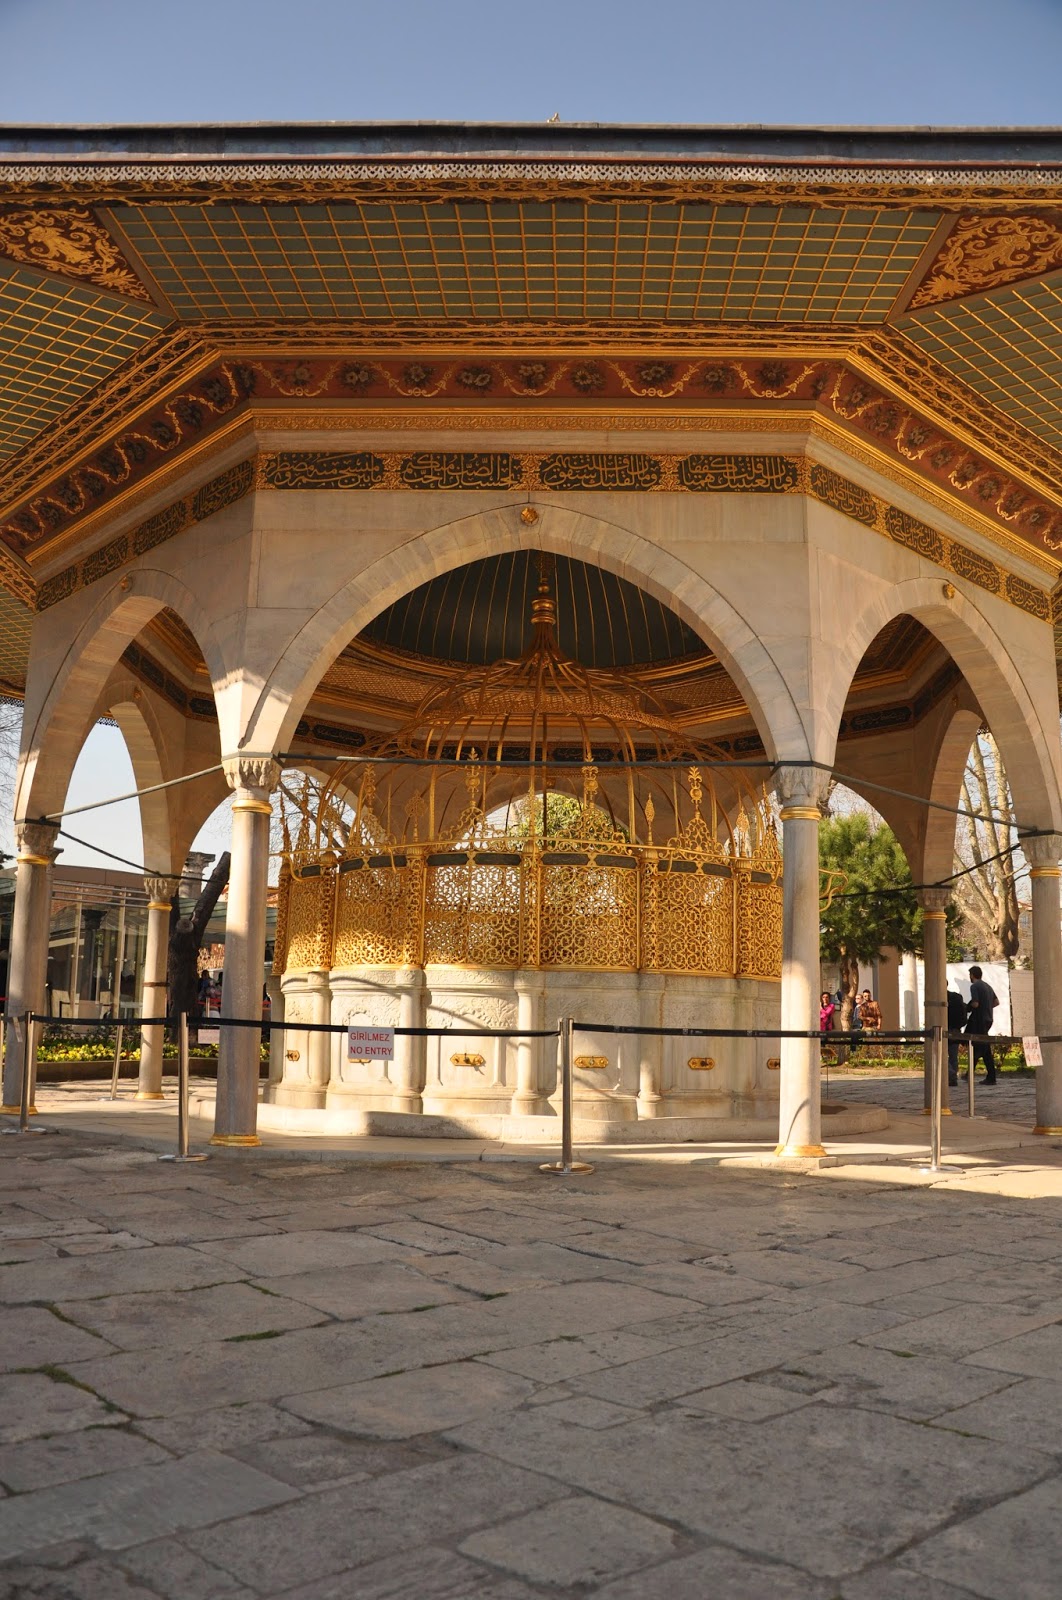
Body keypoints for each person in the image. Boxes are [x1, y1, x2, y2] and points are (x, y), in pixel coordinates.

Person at [964, 965, 999, 1085]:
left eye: (970, 975)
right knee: (983, 1047)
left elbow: (975, 1004)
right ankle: (985, 1075)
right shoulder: (988, 986)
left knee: (978, 1046)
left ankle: (973, 1074)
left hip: (978, 1020)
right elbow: (996, 1002)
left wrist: (967, 1007)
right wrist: (987, 1008)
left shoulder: (975, 986)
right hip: (988, 1019)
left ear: (972, 975)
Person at [947, 986, 967, 1086]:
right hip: (956, 1030)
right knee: (953, 1056)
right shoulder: (957, 997)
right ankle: (953, 1078)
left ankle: (951, 1075)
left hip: (945, 1029)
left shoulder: (941, 998)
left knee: (940, 1054)